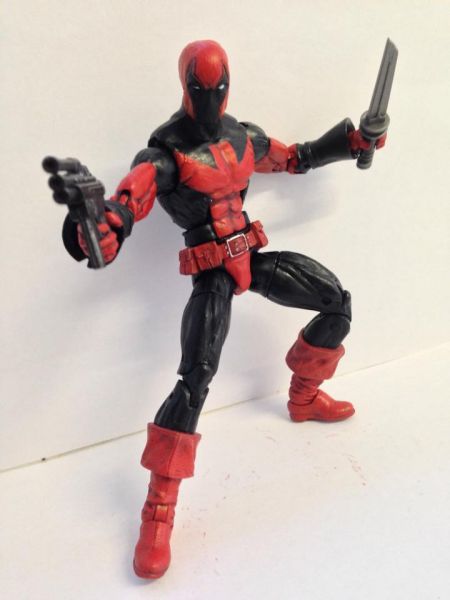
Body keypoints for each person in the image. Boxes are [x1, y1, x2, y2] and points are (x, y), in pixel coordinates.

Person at [65, 40, 386, 579]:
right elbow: (130, 198)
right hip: (212, 270)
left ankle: (304, 398)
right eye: (201, 88)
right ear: (185, 86)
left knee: (337, 303)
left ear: (228, 84)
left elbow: (297, 157)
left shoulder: (243, 138)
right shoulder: (165, 154)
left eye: (218, 88)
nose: (211, 98)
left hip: (251, 256)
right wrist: (107, 225)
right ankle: (159, 509)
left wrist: (351, 141)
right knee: (195, 379)